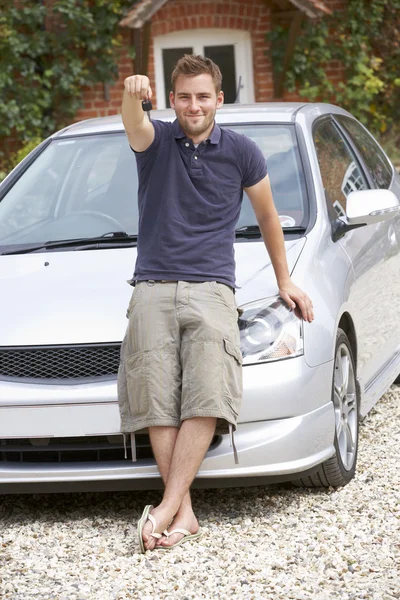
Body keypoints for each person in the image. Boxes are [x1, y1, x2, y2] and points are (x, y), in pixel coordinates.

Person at [118, 54, 314, 552]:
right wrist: (129, 93)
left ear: (219, 99)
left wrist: (284, 279)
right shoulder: (156, 141)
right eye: (183, 96)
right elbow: (133, 122)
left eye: (203, 95)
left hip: (212, 288)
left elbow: (269, 217)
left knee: (207, 395)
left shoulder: (243, 152)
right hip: (153, 286)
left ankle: (167, 508)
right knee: (157, 401)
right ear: (172, 99)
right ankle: (182, 513)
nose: (193, 105)